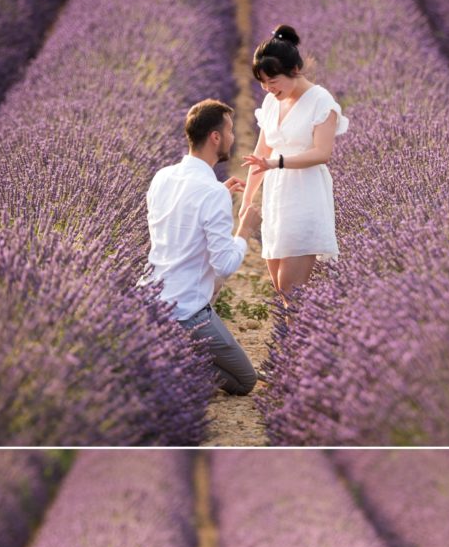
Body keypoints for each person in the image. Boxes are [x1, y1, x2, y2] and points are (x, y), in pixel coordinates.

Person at [139, 99, 263, 395]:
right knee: (246, 381)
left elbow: (181, 220)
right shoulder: (210, 193)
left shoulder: (162, 177)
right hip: (186, 311)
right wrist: (245, 229)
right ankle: (178, 357)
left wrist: (218, 195)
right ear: (215, 137)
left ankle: (161, 351)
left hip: (149, 301)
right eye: (231, 131)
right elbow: (225, 265)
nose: (233, 138)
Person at [239, 25, 349, 301]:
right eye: (263, 82)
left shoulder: (321, 102)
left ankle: (297, 343)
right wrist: (246, 202)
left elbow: (322, 153)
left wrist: (276, 162)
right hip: (276, 198)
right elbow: (259, 154)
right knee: (280, 287)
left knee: (292, 289)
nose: (267, 87)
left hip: (305, 195)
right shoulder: (271, 102)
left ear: (294, 70)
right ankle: (293, 341)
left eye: (272, 80)